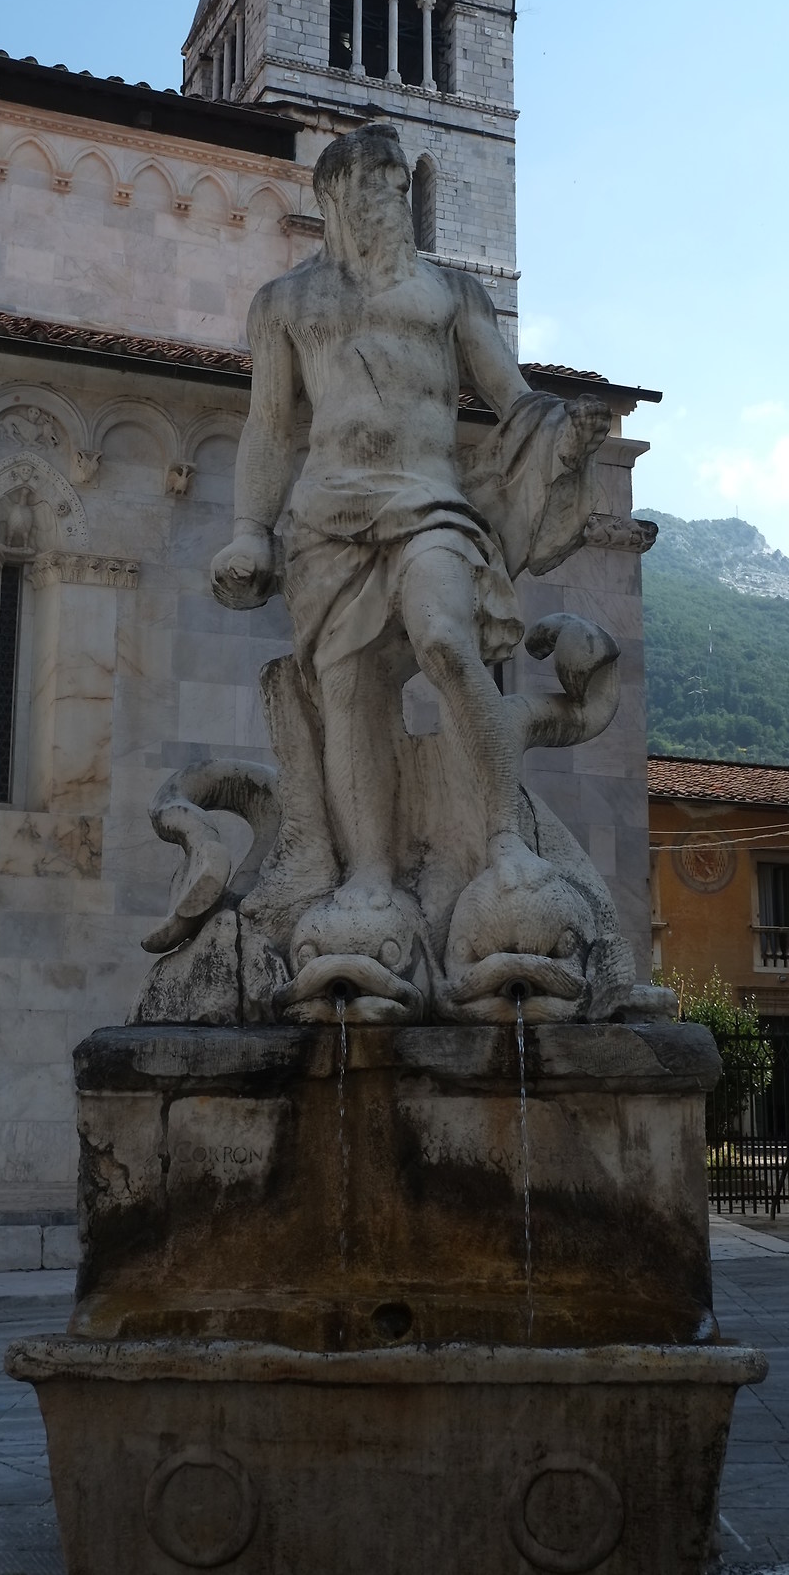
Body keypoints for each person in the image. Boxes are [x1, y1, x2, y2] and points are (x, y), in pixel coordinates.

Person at [212, 122, 610, 989]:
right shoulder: (287, 305)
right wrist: (249, 528)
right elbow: (271, 427)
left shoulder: (451, 295)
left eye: (394, 186)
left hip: (431, 503)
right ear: (332, 200)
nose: (383, 202)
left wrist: (559, 434)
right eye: (366, 187)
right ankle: (369, 878)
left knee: (441, 636)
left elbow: (513, 398)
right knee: (349, 691)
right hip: (324, 520)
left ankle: (503, 837)